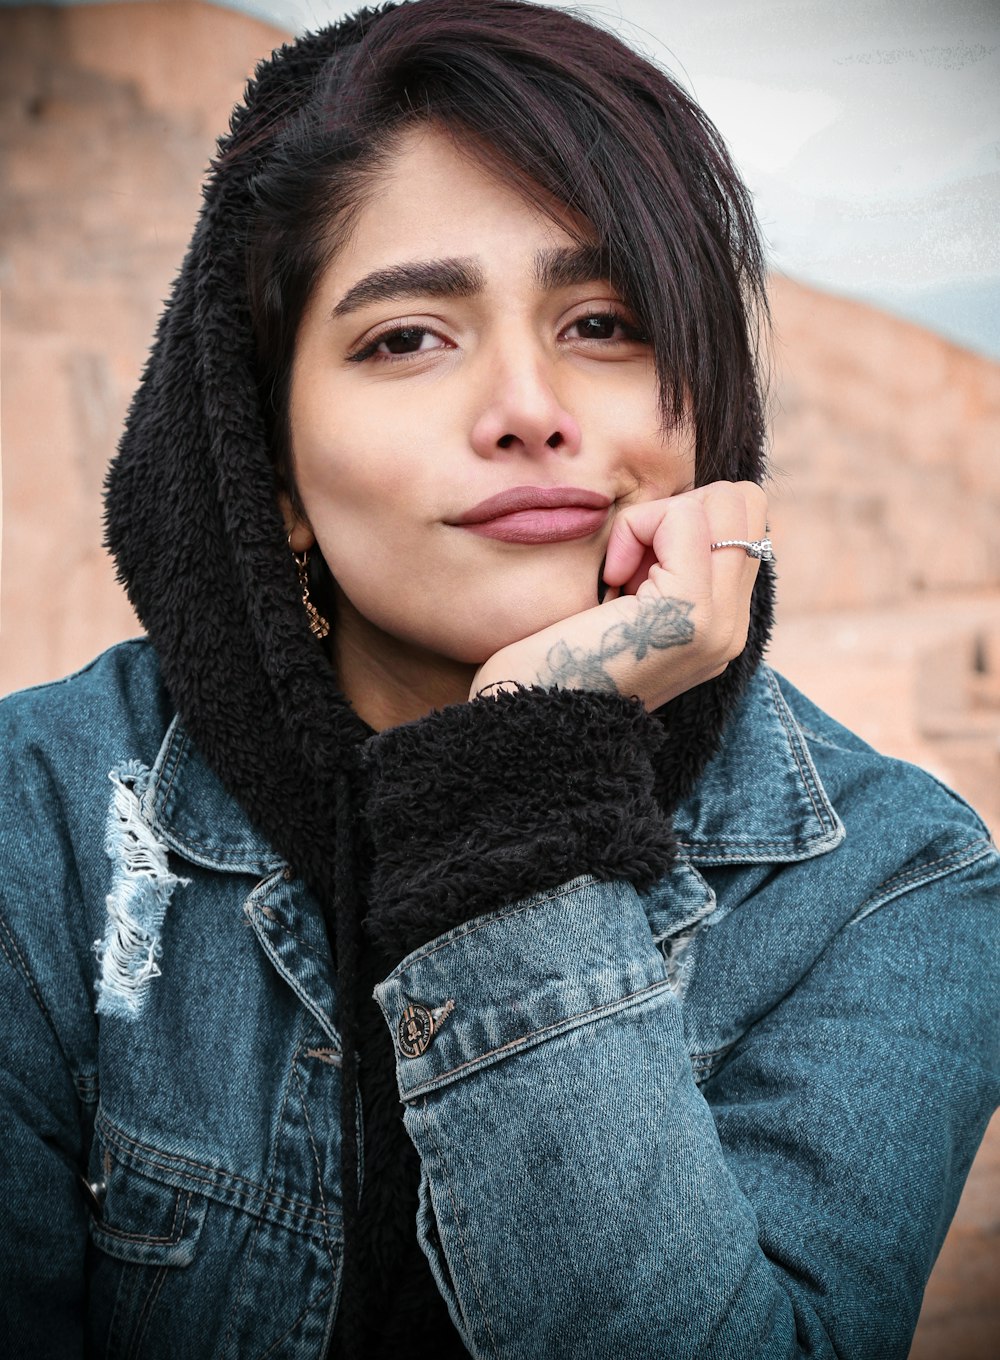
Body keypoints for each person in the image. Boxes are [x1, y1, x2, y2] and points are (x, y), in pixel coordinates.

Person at [0, 2, 996, 1357]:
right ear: (271, 468)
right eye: (408, 337)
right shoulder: (42, 824)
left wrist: (518, 784)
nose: (530, 405)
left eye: (605, 321)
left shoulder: (898, 883)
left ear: (702, 411)